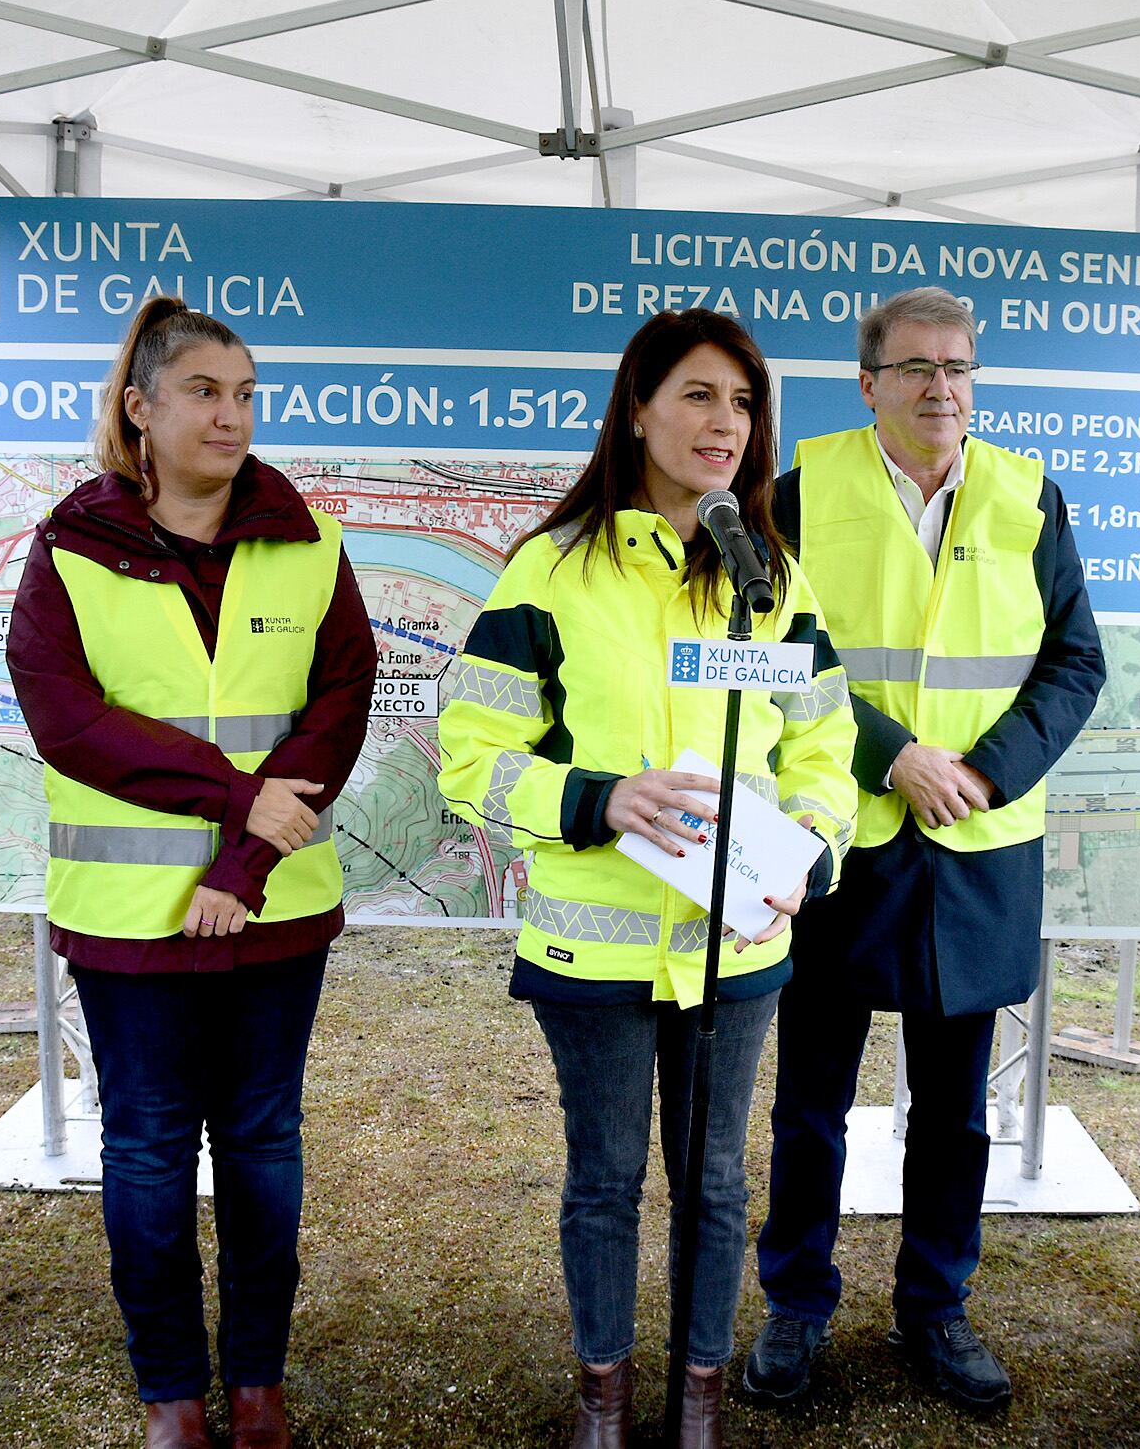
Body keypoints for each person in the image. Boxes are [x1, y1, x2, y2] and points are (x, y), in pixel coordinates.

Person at [437, 309, 857, 1449]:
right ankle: (606, 1404)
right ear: (636, 409)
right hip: (596, 947)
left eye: (743, 402)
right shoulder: (551, 570)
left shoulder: (770, 578)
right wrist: (594, 798)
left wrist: (811, 851)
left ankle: (701, 1406)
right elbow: (470, 755)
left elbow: (826, 750)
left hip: (741, 949)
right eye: (699, 396)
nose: (726, 423)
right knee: (606, 1183)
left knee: (719, 1186)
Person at [7, 296, 376, 1449]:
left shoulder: (308, 539)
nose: (232, 415)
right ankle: (171, 1390)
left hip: (274, 913)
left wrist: (249, 860)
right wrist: (231, 800)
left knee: (264, 1141)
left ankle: (256, 1381)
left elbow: (340, 704)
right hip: (130, 922)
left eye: (246, 393)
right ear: (140, 407)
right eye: (205, 391)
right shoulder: (72, 545)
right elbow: (69, 721)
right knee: (151, 1147)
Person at [744, 287, 1105, 1411]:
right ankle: (796, 1309)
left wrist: (987, 768)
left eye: (957, 368)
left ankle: (934, 1309)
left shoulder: (1030, 497)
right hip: (842, 836)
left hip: (978, 840)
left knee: (955, 1110)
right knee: (809, 1100)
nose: (940, 388)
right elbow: (773, 661)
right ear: (868, 383)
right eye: (914, 369)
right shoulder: (795, 500)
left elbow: (1075, 663)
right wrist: (891, 753)